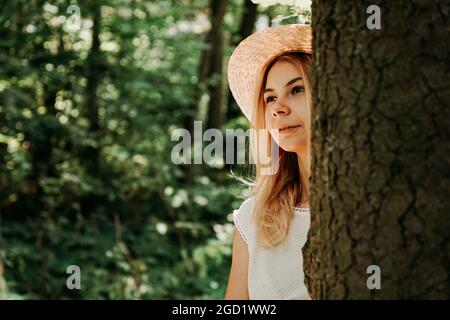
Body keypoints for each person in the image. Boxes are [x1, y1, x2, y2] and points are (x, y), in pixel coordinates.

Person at [224, 24, 313, 300]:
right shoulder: (253, 217)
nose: (278, 108)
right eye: (270, 98)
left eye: (296, 90)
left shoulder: (370, 202)